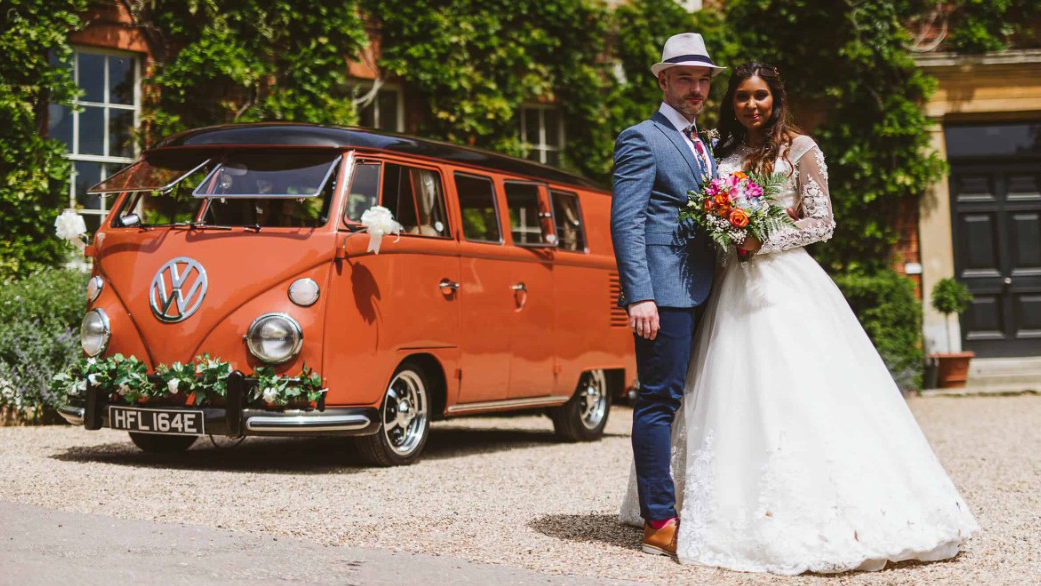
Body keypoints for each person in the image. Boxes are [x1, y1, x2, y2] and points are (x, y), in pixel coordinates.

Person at [619, 61, 979, 574]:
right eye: (742, 96)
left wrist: (759, 238)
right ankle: (691, 507)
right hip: (722, 285)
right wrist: (726, 233)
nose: (751, 105)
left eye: (760, 95)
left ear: (775, 98)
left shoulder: (801, 148)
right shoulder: (717, 150)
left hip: (782, 282)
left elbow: (822, 221)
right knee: (716, 391)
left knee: (798, 391)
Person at [609, 32, 723, 557]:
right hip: (665, 293)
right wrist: (640, 296)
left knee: (696, 399)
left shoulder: (705, 142)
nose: (695, 88)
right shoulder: (640, 137)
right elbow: (627, 220)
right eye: (684, 78)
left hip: (707, 287)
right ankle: (658, 518)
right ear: (662, 80)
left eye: (702, 79)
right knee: (658, 401)